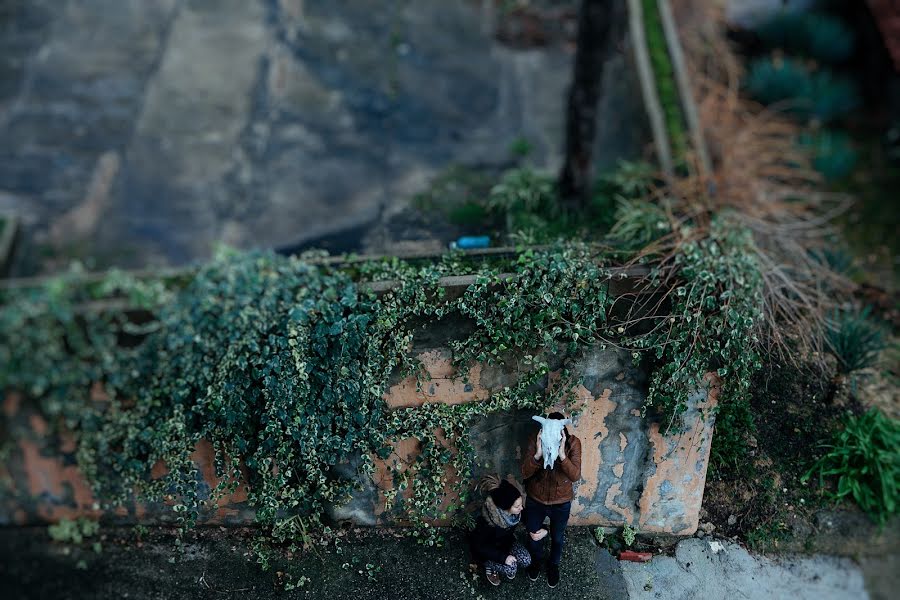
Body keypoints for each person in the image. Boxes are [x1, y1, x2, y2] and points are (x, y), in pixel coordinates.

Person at [521, 411, 582, 588]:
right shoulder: (536, 438)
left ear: (563, 431)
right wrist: (538, 454)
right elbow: (525, 471)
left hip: (561, 501)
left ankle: (553, 565)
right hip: (536, 498)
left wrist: (562, 455)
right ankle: (536, 561)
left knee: (557, 537)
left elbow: (575, 475)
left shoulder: (573, 443)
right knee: (533, 535)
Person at [468, 476, 532, 586]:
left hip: (506, 543)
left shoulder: (515, 513)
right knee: (511, 568)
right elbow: (479, 546)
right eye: (517, 506)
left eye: (521, 504)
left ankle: (506, 563)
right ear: (505, 507)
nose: (521, 508)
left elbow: (527, 518)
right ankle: (489, 566)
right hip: (489, 552)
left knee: (526, 559)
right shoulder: (487, 522)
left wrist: (540, 530)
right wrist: (504, 558)